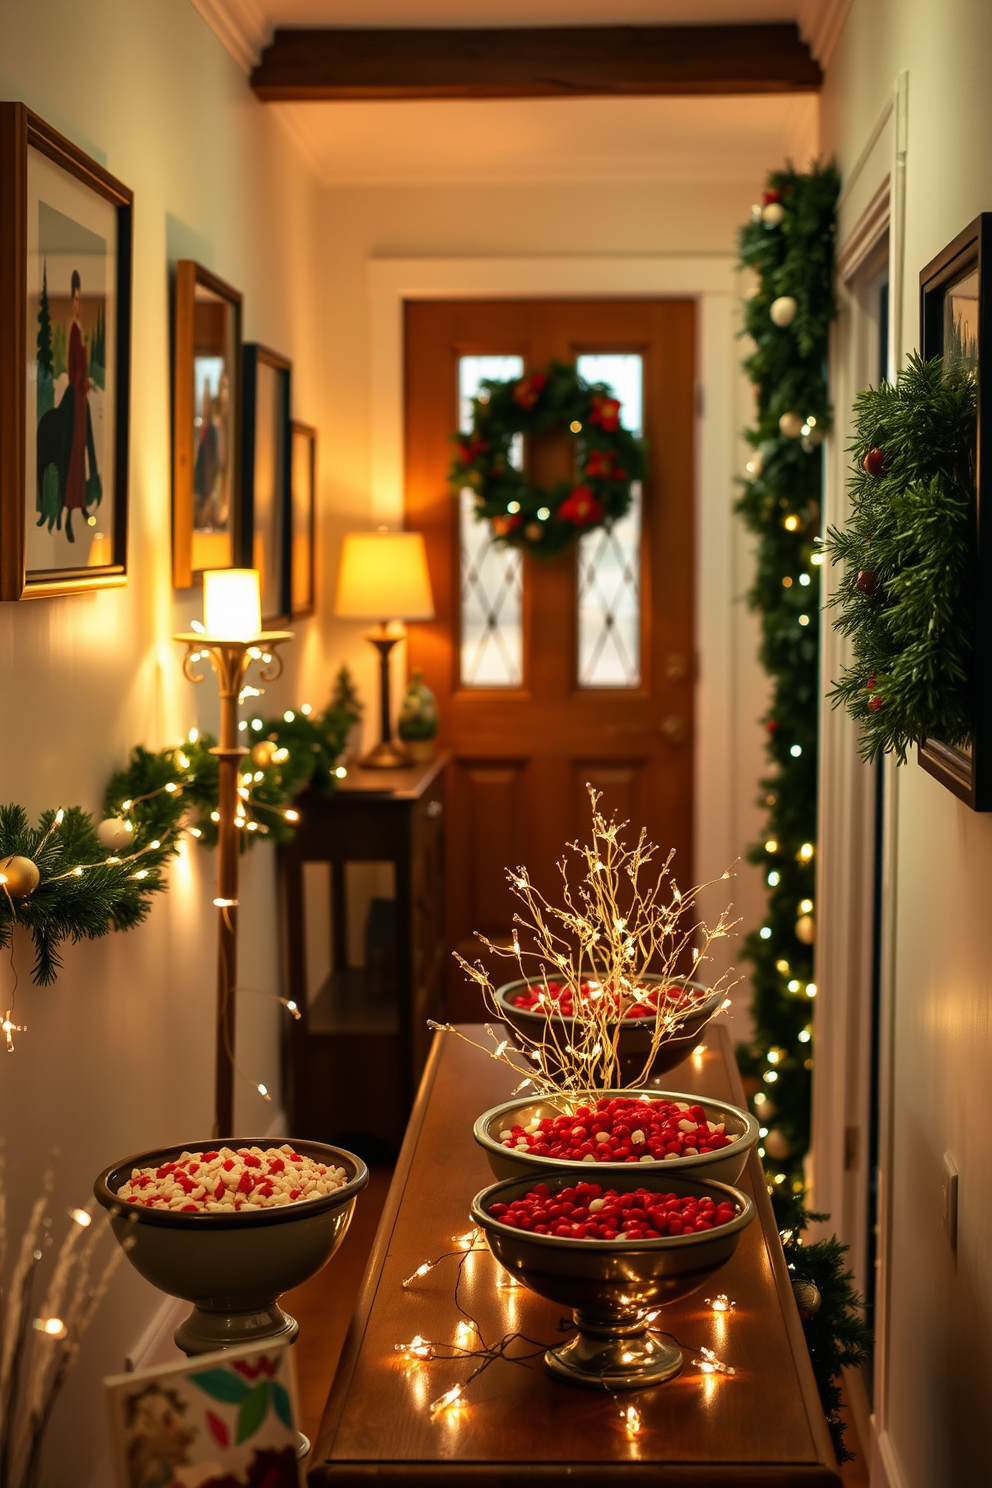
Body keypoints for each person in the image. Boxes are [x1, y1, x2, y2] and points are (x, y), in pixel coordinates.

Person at [64, 269, 90, 536]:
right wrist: (80, 382)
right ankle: (71, 503)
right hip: (76, 398)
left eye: (79, 300)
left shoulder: (80, 329)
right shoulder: (73, 330)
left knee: (82, 446)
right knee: (75, 446)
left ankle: (81, 502)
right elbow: (72, 372)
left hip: (82, 398)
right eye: (75, 299)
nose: (77, 305)